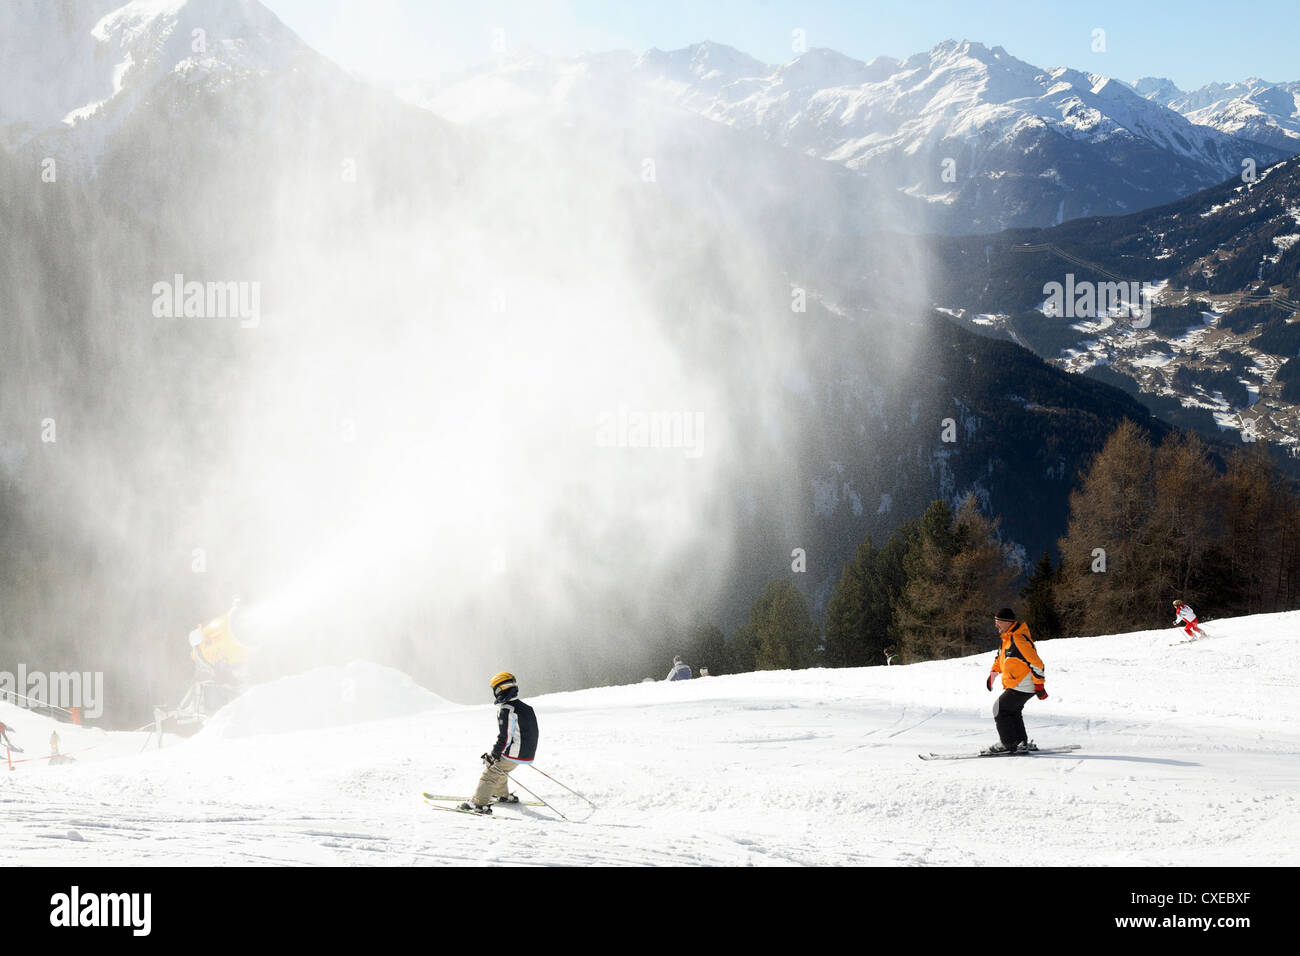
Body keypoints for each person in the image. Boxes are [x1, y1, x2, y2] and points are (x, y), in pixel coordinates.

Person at [459, 672, 539, 815]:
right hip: (526, 752)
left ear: (501, 689)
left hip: (515, 752)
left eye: (495, 690)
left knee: (490, 773)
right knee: (501, 768)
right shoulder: (526, 707)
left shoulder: (507, 709)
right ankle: (502, 795)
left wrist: (494, 754)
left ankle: (478, 803)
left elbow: (505, 737)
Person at [985, 607, 1047, 754]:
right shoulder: (1007, 638)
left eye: (998, 622)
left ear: (1007, 622)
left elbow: (1037, 664)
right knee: (1012, 711)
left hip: (1023, 684)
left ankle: (1008, 744)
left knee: (999, 709)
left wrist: (1039, 685)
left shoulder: (1018, 639)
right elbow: (1000, 659)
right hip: (1017, 683)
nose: (996, 625)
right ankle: (1020, 742)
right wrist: (993, 674)